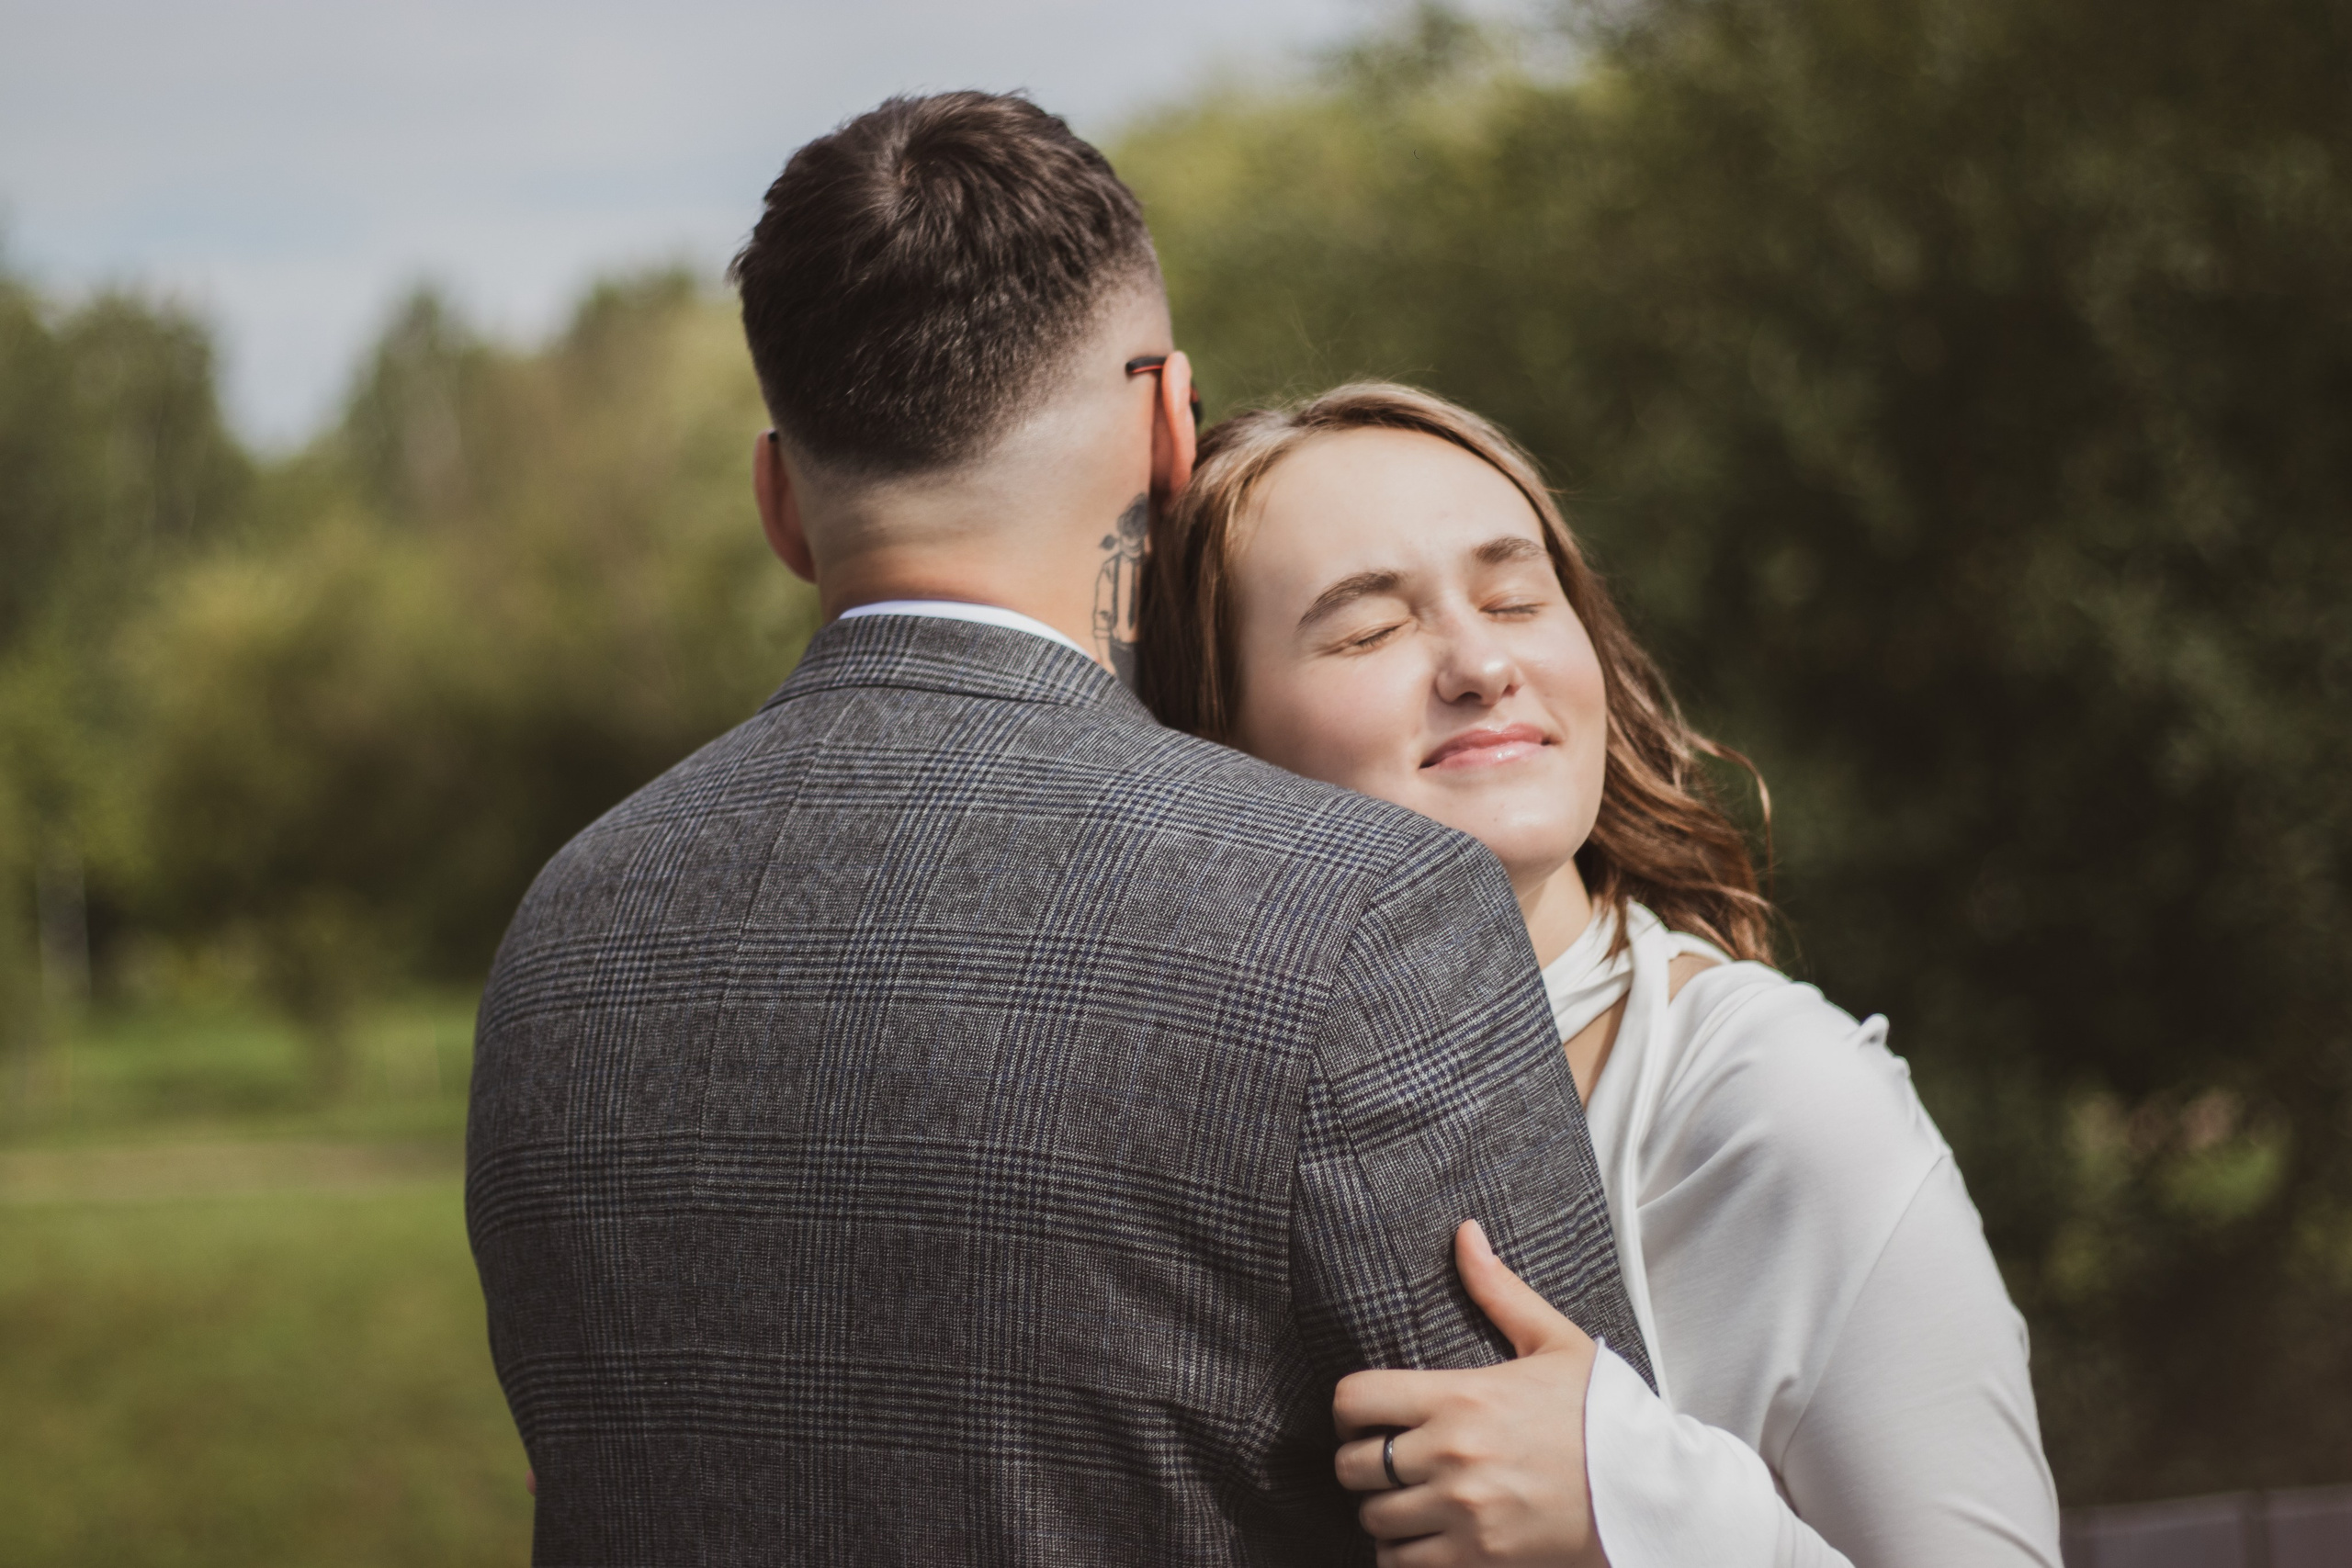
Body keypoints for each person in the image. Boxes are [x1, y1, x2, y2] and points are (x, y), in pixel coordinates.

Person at [466, 95, 1651, 1562]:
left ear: (780, 499)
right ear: (1171, 426)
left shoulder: (568, 933)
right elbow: (1576, 1509)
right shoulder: (1364, 913)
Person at [1137, 383, 2064, 1567]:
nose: (1479, 662)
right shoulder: (1175, 1137)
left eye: (1518, 598)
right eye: (1369, 629)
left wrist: (1639, 1510)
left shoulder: (1779, 1107)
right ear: (1215, 736)